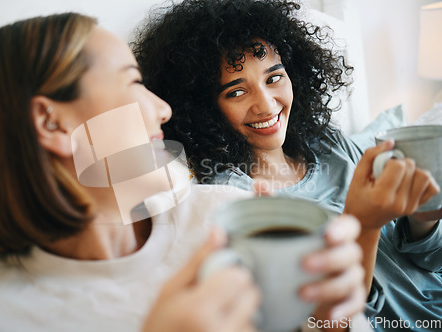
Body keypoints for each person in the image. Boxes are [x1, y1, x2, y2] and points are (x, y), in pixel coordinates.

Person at [0, 12, 367, 332]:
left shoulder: (222, 218)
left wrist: (326, 321)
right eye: (132, 85)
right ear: (53, 124)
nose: (162, 110)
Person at [132, 0, 442, 330]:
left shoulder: (328, 144)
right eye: (236, 92)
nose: (266, 105)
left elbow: (428, 260)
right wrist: (363, 223)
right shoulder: (233, 198)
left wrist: (423, 216)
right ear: (204, 110)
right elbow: (325, 319)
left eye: (274, 77)